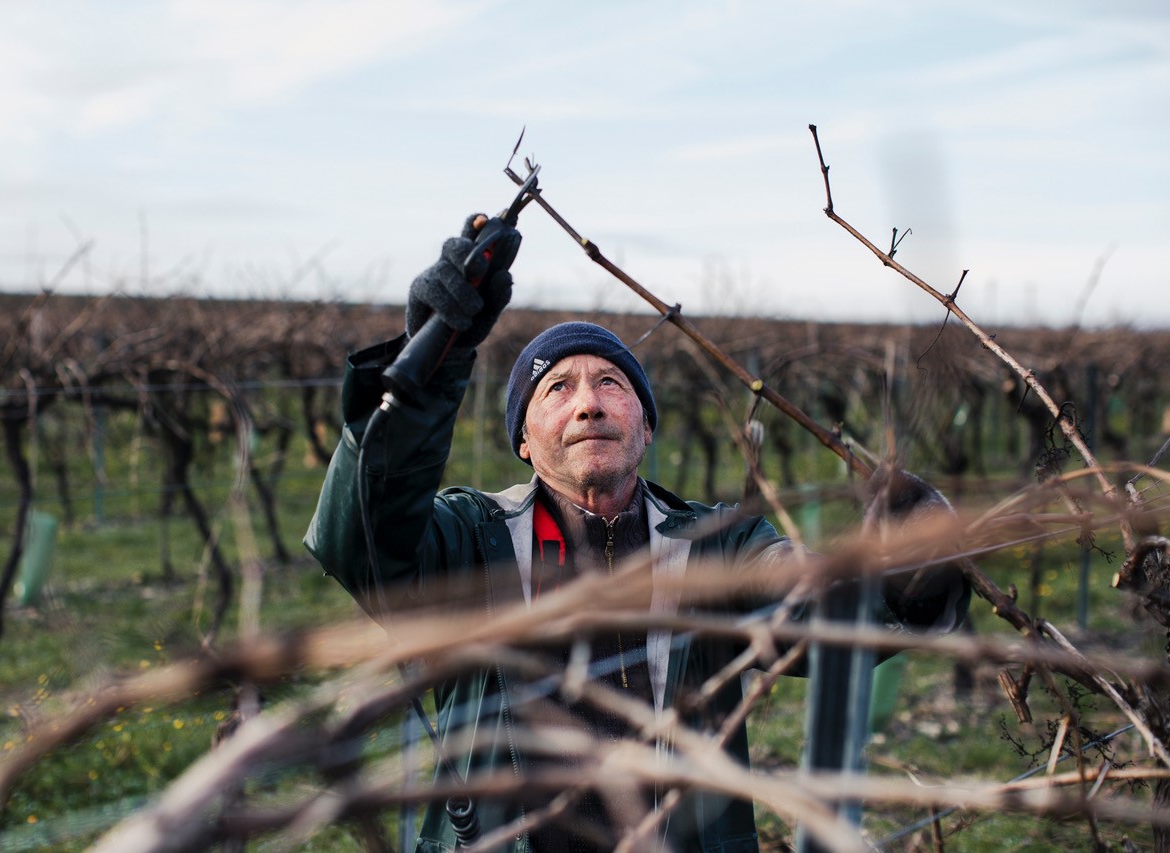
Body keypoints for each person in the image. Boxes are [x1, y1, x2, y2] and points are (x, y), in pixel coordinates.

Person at [304, 215, 971, 852]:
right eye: (557, 388)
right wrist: (428, 368)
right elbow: (363, 534)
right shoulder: (470, 540)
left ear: (647, 427)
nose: (588, 400)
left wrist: (907, 572)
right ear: (525, 444)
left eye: (611, 382)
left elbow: (814, 608)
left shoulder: (717, 544)